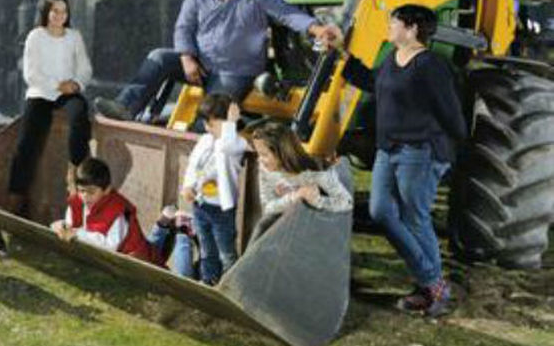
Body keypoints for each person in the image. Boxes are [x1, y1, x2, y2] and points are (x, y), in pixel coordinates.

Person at [96, 0, 342, 122]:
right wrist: (186, 57)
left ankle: (196, 148)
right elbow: (184, 27)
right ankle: (126, 108)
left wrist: (316, 28)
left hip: (235, 73)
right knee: (158, 57)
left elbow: (286, 13)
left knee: (208, 118)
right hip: (203, 64)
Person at [336, 4, 467, 317]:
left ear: (412, 29)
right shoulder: (391, 60)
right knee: (380, 211)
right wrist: (341, 55)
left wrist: (451, 148)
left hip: (419, 152)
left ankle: (432, 289)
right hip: (388, 149)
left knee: (415, 218)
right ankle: (431, 279)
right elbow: (371, 83)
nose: (389, 27)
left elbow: (451, 113)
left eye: (394, 23)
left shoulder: (432, 65)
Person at [6, 0, 92, 217]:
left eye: (64, 11)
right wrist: (56, 85)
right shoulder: (36, 36)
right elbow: (31, 73)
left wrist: (77, 83)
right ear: (46, 12)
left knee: (80, 117)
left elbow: (85, 68)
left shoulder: (74, 36)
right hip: (42, 92)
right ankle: (17, 196)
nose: (59, 16)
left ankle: (73, 173)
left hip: (68, 91)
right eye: (55, 11)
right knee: (27, 143)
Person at [177, 94, 248, 285]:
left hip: (221, 209)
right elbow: (193, 164)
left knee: (226, 250)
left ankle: (232, 283)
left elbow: (226, 147)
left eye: (213, 123)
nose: (208, 128)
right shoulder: (205, 141)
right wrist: (188, 186)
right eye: (206, 123)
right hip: (202, 204)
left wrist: (231, 124)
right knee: (207, 248)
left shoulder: (236, 143)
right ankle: (209, 279)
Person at [247, 120, 353, 241]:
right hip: (285, 221)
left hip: (314, 222)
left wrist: (317, 201)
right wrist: (295, 196)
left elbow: (346, 202)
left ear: (282, 153)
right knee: (264, 224)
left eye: (264, 155)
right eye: (259, 154)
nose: (259, 160)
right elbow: (267, 207)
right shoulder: (265, 170)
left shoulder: (315, 172)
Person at [50, 157, 165, 265]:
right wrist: (61, 226)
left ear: (107, 190)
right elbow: (69, 227)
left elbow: (110, 246)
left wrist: (76, 234)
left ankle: (163, 226)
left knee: (156, 251)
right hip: (103, 260)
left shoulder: (118, 210)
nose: (84, 196)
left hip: (135, 259)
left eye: (91, 192)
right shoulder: (77, 202)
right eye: (81, 191)